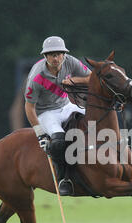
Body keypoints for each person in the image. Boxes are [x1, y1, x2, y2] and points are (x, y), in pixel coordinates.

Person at [24, 36, 91, 195]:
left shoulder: (70, 62)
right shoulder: (36, 76)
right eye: (51, 54)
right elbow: (29, 107)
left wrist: (73, 80)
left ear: (64, 54)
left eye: (59, 54)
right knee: (59, 142)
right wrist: (40, 133)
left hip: (66, 105)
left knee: (95, 118)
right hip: (46, 113)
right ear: (45, 56)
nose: (56, 58)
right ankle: (63, 179)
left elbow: (91, 78)